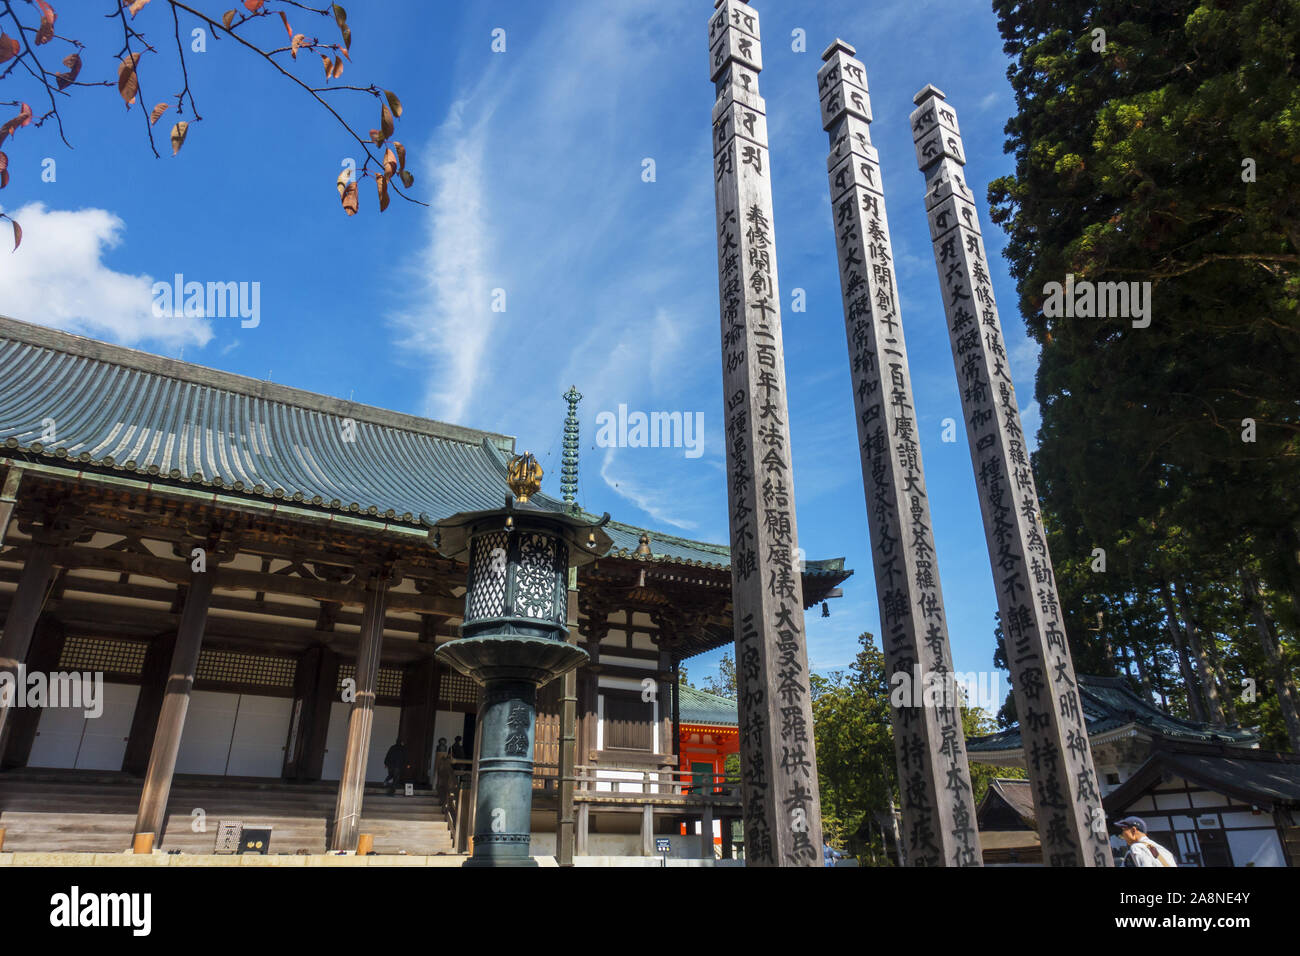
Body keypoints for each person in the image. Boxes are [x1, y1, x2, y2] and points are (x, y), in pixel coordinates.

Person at [1112, 815, 1177, 867]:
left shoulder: (1137, 847)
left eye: (1123, 830)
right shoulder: (1163, 850)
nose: (1122, 834)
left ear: (1133, 830)